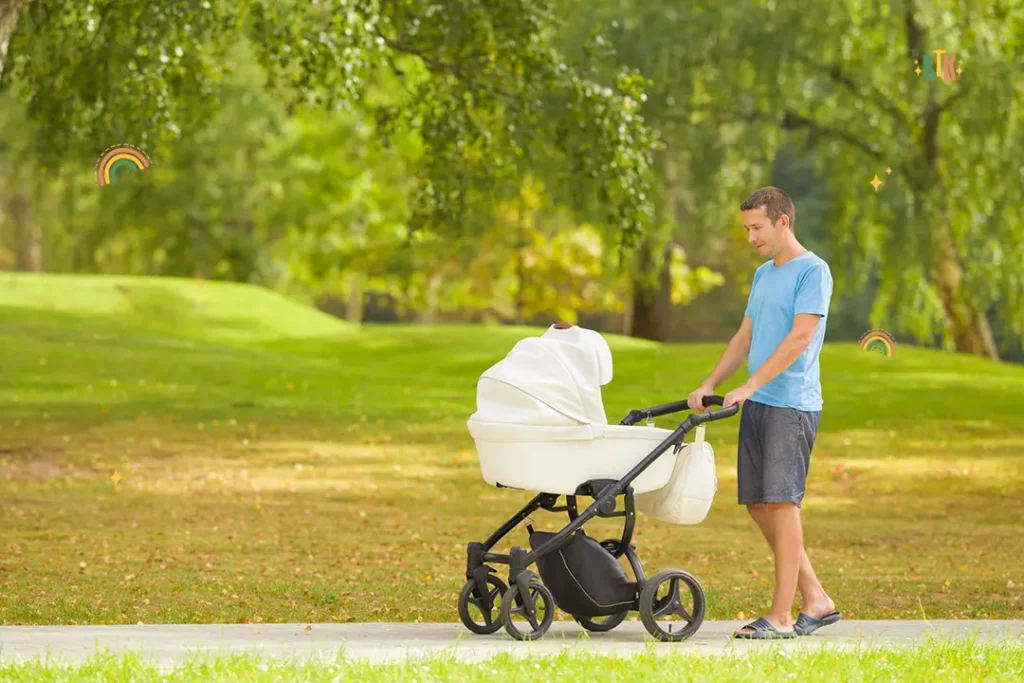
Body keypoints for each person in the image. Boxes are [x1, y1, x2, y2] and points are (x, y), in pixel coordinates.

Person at [687, 186, 841, 639]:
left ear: (783, 222)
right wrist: (711, 383)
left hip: (790, 404)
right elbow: (743, 337)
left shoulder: (813, 271)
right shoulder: (762, 275)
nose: (751, 236)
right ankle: (816, 598)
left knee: (782, 503)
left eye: (757, 227)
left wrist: (752, 384)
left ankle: (781, 616)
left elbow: (799, 339)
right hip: (758, 403)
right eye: (747, 228)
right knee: (759, 505)